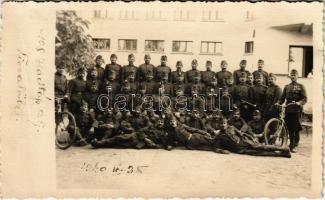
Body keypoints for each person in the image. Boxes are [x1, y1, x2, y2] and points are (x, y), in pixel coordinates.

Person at [215, 118, 291, 158]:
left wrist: (251, 138)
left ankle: (283, 149)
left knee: (262, 147)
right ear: (219, 125)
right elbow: (216, 148)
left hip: (245, 142)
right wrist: (222, 151)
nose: (222, 125)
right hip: (240, 150)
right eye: (221, 124)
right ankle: (283, 154)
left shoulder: (232, 128)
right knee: (261, 153)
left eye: (224, 123)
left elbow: (242, 133)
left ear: (227, 123)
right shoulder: (219, 136)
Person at [277, 69, 307, 152]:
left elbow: (304, 98)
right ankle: (291, 144)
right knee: (289, 127)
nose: (293, 76)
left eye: (294, 75)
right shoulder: (287, 86)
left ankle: (295, 144)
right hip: (288, 109)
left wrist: (299, 103)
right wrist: (278, 103)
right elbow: (282, 98)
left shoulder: (301, 86)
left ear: (297, 76)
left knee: (296, 128)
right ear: (290, 76)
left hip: (296, 110)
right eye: (292, 75)